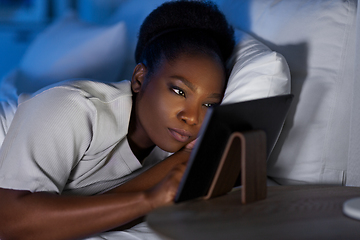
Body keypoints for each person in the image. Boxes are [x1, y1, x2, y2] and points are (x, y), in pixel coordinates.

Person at [0, 1, 235, 239]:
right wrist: (148, 200)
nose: (192, 117)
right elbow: (9, 221)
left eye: (208, 104)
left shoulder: (176, 145)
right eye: (179, 91)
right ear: (139, 79)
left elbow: (103, 203)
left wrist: (185, 160)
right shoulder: (72, 107)